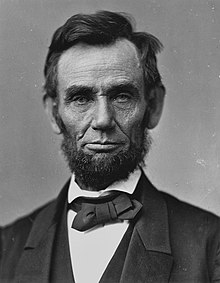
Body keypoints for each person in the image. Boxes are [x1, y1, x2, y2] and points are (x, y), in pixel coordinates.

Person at [0, 10, 220, 283]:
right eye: (81, 98)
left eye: (122, 96)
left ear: (153, 106)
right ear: (53, 113)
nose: (103, 119)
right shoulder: (6, 249)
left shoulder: (212, 245)